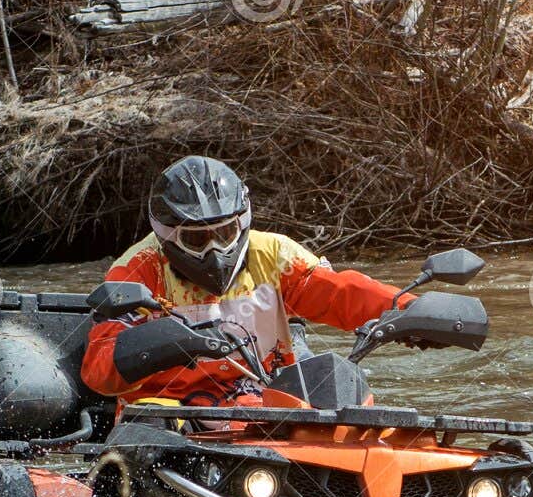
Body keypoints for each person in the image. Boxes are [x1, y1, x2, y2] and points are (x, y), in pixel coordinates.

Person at [81, 155, 407, 407]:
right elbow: (99, 372)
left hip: (265, 402)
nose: (214, 251)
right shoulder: (136, 269)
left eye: (224, 234)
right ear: (168, 237)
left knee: (342, 406)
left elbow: (341, 294)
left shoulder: (275, 254)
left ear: (242, 223)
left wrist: (407, 311)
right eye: (197, 240)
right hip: (169, 413)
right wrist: (164, 343)